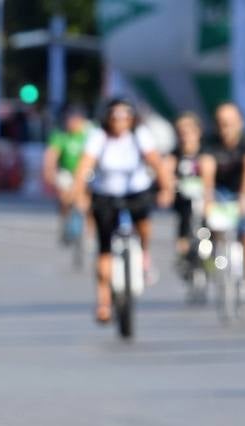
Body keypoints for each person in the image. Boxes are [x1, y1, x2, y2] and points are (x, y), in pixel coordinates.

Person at [72, 98, 172, 324]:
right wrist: (79, 193)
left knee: (144, 224)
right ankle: (104, 302)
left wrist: (166, 187)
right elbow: (85, 165)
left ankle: (144, 255)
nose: (120, 121)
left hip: (135, 191)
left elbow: (156, 162)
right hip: (106, 194)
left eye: (125, 116)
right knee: (105, 250)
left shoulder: (140, 135)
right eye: (115, 116)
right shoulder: (99, 136)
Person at [199, 101, 245, 300]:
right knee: (213, 224)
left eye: (229, 123)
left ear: (239, 123)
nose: (225, 128)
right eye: (221, 123)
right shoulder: (210, 143)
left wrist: (244, 199)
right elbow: (207, 171)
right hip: (221, 191)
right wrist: (208, 200)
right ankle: (216, 256)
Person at [161, 111, 206, 276]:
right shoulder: (174, 155)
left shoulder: (206, 152)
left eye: (189, 131)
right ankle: (183, 253)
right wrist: (168, 186)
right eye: (181, 132)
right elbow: (167, 172)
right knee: (184, 221)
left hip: (204, 198)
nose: (185, 136)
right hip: (184, 200)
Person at [42, 108, 92, 244]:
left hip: (86, 172)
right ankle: (65, 218)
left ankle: (89, 232)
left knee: (88, 202)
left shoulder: (90, 134)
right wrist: (49, 171)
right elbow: (51, 155)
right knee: (65, 195)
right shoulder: (60, 135)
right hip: (67, 171)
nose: (73, 124)